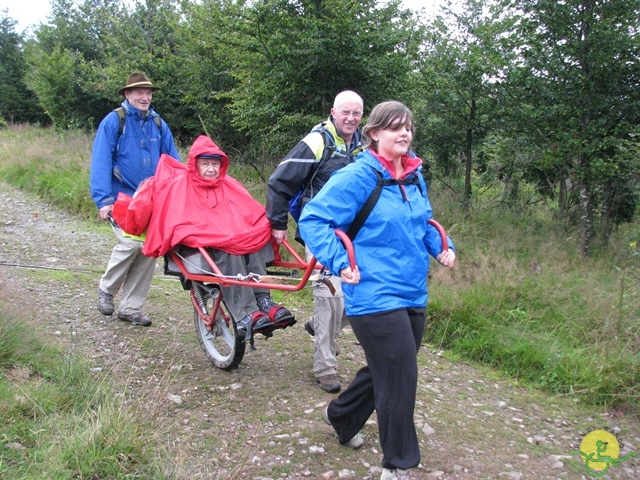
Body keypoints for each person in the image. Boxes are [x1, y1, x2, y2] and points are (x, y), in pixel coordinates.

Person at [298, 101, 456, 479]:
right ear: (374, 134)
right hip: (371, 292)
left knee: (390, 366)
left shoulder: (414, 174)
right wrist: (341, 262)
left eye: (409, 128)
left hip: (411, 289)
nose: (404, 134)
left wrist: (442, 248)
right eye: (395, 128)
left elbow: (422, 222)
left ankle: (341, 415)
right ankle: (398, 465)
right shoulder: (357, 176)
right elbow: (313, 220)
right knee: (401, 374)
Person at [112, 135, 295, 341]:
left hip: (227, 235)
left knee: (253, 242)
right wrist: (206, 233)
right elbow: (174, 220)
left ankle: (264, 301)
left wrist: (267, 226)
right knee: (229, 249)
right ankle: (245, 313)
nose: (211, 169)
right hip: (201, 243)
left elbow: (249, 210)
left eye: (215, 164)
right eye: (205, 164)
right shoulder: (180, 186)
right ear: (195, 165)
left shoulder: (228, 184)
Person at [266, 90, 364, 393]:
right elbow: (280, 180)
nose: (350, 119)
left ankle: (319, 324)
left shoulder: (364, 145)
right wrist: (278, 222)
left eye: (356, 114)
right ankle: (325, 366)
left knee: (367, 293)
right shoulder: (318, 141)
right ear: (333, 112)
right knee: (330, 294)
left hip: (356, 232)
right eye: (345, 112)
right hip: (321, 230)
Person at [90, 72, 180, 327]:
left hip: (152, 201)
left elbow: (172, 164)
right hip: (122, 199)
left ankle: (131, 307)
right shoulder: (113, 121)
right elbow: (101, 161)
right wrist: (103, 200)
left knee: (148, 251)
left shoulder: (159, 124)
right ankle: (107, 289)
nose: (145, 97)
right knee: (130, 245)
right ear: (127, 95)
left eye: (148, 93)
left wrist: (176, 197)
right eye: (139, 92)